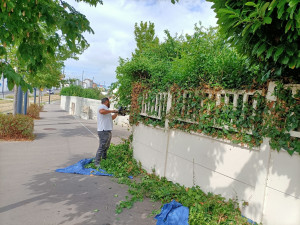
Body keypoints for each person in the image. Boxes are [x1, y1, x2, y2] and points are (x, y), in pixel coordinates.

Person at [94, 97, 118, 167]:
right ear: (107, 101)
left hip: (107, 130)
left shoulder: (106, 109)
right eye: (109, 102)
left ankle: (104, 159)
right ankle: (97, 163)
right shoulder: (102, 106)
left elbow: (111, 118)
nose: (109, 103)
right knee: (102, 146)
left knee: (106, 147)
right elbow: (101, 111)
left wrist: (116, 113)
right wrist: (112, 111)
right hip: (103, 130)